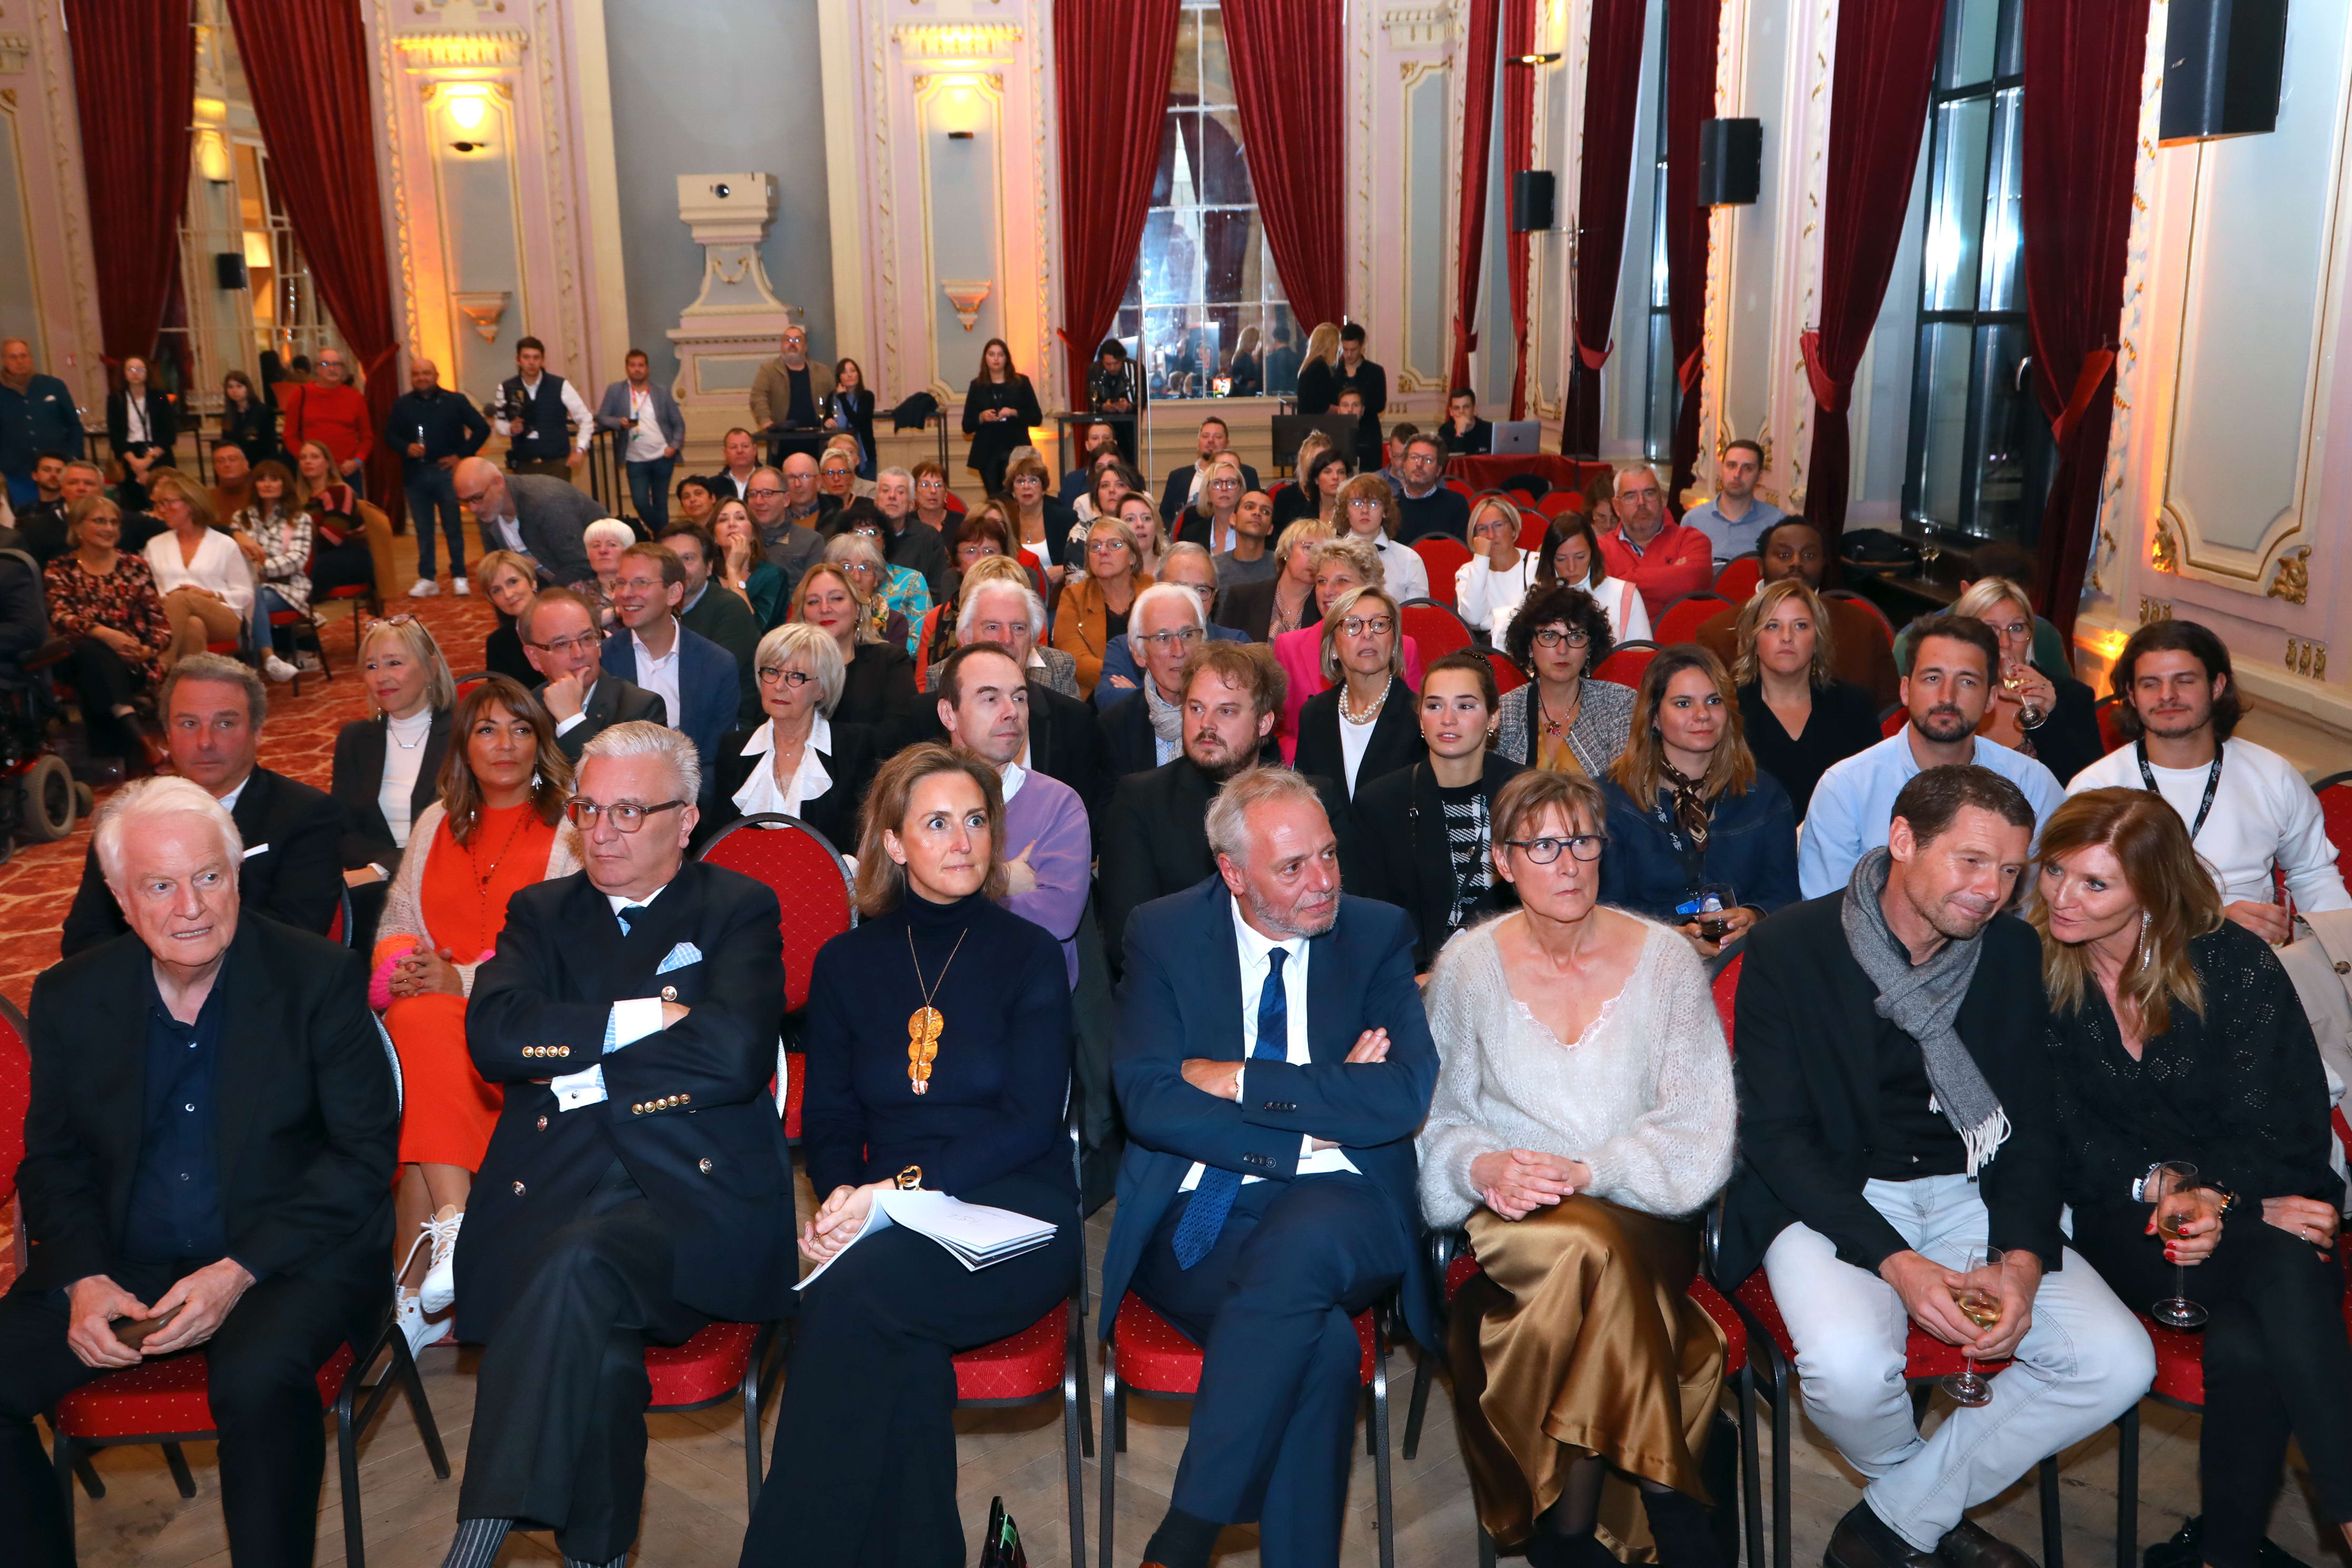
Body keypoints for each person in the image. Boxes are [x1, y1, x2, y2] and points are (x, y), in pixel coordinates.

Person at [1722, 765, 2155, 1568]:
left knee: (2117, 1361)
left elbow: (2030, 1128)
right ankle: (1924, 1509)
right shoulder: (1791, 946)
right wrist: (1900, 1265)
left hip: (1973, 1188)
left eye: (2011, 871)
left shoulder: (2013, 953)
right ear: (1902, 841)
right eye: (1971, 861)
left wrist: (2021, 1261)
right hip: (1836, 1195)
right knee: (1849, 1374)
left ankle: (1892, 1524)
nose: (1992, 891)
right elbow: (1777, 1138)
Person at [0, 776, 396, 1568]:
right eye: (159, 885)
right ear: (120, 898)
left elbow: (361, 1156)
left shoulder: (317, 976)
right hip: (121, 1256)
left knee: (257, 1379)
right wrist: (81, 1278)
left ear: (237, 877)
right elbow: (54, 1161)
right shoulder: (71, 995)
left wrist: (237, 1271)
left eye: (209, 877)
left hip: (283, 1253)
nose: (191, 907)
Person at [443, 722, 790, 1568]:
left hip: (690, 1204)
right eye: (588, 809)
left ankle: (476, 1542)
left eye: (629, 812)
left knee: (580, 1261)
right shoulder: (541, 912)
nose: (601, 831)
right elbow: (494, 1036)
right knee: (593, 1332)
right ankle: (595, 1559)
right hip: (551, 1189)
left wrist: (577, 1074)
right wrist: (647, 1021)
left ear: (687, 819)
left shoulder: (737, 908)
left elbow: (736, 1054)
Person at [740, 744, 1080, 1567]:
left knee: (847, 1305)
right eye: (936, 823)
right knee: (894, 1349)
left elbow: (1032, 1121)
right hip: (890, 1222)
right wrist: (841, 1199)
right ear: (892, 843)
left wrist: (893, 1192)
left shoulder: (1029, 955)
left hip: (1016, 1215)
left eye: (976, 821)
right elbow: (830, 1118)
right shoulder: (847, 963)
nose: (963, 840)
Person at [1101, 764, 1437, 1568]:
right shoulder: (1164, 932)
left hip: (1346, 1205)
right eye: (1293, 868)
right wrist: (1311, 1123)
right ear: (1233, 874)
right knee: (1320, 1349)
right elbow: (1148, 1099)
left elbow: (1401, 1096)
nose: (1323, 882)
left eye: (1328, 854)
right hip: (1198, 1216)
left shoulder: (1376, 934)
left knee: (1305, 1243)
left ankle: (1183, 1538)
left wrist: (1243, 1080)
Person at [1419, 768, 1736, 1565]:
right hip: (1518, 1217)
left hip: (1645, 1214)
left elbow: (1700, 1128)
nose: (1568, 864)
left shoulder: (1666, 962)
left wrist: (1591, 1172)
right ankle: (1671, 1499)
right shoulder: (1467, 967)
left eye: (1584, 842)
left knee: (1596, 1253)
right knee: (1590, 1255)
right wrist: (1483, 1165)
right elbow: (1438, 1120)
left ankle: (1565, 1532)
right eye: (1543, 847)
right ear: (1503, 862)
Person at [2033, 788, 2352, 1568]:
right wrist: (2171, 1189)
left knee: (2248, 1346)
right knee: (2285, 1264)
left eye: (2095, 883)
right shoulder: (2031, 971)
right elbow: (2056, 1138)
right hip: (2120, 1215)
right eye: (2055, 871)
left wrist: (2220, 1198)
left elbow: (2291, 1127)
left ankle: (2223, 1557)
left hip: (2263, 1194)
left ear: (2152, 890)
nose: (2063, 897)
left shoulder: (2230, 963)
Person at [372, 676, 579, 1354]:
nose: (505, 744)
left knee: (421, 1031)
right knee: (420, 1022)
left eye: (521, 729)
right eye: (487, 730)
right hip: (437, 1032)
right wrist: (406, 968)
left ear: (541, 743)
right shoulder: (436, 821)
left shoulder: (571, 826)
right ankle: (444, 1246)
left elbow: (565, 954)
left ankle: (418, 1283)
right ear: (464, 745)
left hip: (522, 1031)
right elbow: (397, 924)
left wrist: (459, 980)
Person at [2069, 619, 2349, 938]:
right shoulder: (2095, 788)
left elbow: (2313, 873)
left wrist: (2338, 954)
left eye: (2185, 681)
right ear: (2131, 695)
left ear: (2217, 686)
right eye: (2150, 684)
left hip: (2252, 956)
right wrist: (2210, 923)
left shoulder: (2273, 775)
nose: (2167, 696)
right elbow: (2078, 902)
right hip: (2136, 955)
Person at [60, 650, 342, 954]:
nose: (205, 742)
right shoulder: (127, 818)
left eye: (225, 724)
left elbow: (296, 934)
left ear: (257, 732)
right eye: (189, 724)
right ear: (167, 733)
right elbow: (85, 938)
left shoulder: (307, 814)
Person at [1097, 642, 1347, 958]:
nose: (1206, 724)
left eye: (1226, 711)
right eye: (1196, 708)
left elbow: (1344, 918)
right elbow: (1127, 938)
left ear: (1264, 723)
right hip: (1184, 978)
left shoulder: (1313, 799)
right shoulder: (1141, 800)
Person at [1800, 613, 2065, 897]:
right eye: (1932, 678)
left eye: (1967, 682)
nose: (1947, 697)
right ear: (1905, 690)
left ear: (1990, 699)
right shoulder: (1847, 788)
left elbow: (2044, 903)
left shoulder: (2033, 785)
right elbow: (1829, 910)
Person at [1598, 645, 1798, 950]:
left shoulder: (1765, 795)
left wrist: (1754, 917)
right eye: (1683, 704)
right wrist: (1672, 940)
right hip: (1644, 957)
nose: (1703, 715)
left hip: (1746, 957)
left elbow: (1784, 898)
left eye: (1714, 701)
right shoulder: (1611, 800)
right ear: (1654, 717)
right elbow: (1605, 912)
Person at [1348, 652, 1525, 972]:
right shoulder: (1379, 803)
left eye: (1465, 706)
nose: (1447, 719)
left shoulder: (1528, 796)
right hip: (1415, 977)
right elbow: (1369, 919)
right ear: (1420, 719)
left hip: (1516, 968)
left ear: (1493, 718)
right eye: (1434, 706)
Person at [935, 642, 1092, 982]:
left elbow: (1058, 918)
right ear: (949, 714)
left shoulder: (1059, 804)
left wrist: (950, 900)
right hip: (932, 991)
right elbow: (895, 904)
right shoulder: (915, 799)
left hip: (1030, 996)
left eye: (1019, 698)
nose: (1011, 712)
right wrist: (1000, 880)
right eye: (990, 698)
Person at [901, 572, 1102, 806]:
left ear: (1033, 641)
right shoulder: (922, 719)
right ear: (965, 638)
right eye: (993, 626)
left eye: (1018, 628)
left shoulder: (1073, 721)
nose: (1007, 639)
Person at [331, 616, 458, 946]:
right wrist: (379, 871)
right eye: (371, 666)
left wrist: (382, 869)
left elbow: (467, 827)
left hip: (452, 879)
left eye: (394, 663)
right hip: (375, 890)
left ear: (430, 668)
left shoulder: (464, 733)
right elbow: (342, 830)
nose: (381, 677)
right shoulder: (355, 739)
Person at [708, 621, 883, 851]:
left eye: (796, 676)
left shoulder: (856, 746)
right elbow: (719, 840)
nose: (779, 686)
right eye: (772, 672)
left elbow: (866, 838)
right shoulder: (733, 748)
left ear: (822, 689)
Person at [1694, 517, 1899, 708]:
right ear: (1761, 566)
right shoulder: (1718, 633)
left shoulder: (1864, 626)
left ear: (1824, 564)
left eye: (1809, 555)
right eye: (1784, 555)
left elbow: (1890, 714)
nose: (1796, 562)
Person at [1733, 578, 1882, 819]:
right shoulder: (1727, 711)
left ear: (1817, 639)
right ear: (1753, 639)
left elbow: (1874, 797)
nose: (1787, 637)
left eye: (1801, 626)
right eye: (1772, 626)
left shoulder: (1854, 706)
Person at [602, 542, 739, 801]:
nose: (626, 594)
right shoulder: (603, 660)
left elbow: (715, 760)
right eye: (620, 583)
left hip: (692, 803)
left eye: (641, 583)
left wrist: (676, 806)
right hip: (615, 797)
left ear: (674, 592)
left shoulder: (717, 665)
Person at [44, 493, 173, 766]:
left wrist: (146, 650)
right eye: (100, 521)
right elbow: (60, 616)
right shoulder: (60, 569)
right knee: (92, 650)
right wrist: (104, 634)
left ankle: (123, 745)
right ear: (78, 526)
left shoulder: (135, 566)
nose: (109, 528)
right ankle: (139, 738)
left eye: (115, 522)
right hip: (75, 658)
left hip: (131, 662)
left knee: (97, 670)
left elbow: (161, 626)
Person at [1272, 536, 1428, 757]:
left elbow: (1416, 723)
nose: (1328, 591)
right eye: (1321, 581)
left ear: (1367, 586)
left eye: (1342, 581)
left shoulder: (1403, 646)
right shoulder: (1289, 646)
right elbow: (1281, 730)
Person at [1945, 576, 2102, 784]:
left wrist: (2049, 717)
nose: (2005, 643)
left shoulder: (2071, 696)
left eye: (2017, 628)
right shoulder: (1947, 693)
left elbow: (2089, 790)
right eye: (1990, 629)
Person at [1295, 584, 1425, 798]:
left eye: (1379, 624)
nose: (1367, 634)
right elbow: (1305, 799)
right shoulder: (1313, 714)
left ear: (1394, 644)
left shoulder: (1419, 716)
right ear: (1333, 648)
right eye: (1353, 625)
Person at [1495, 582, 1636, 776]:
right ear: (1529, 647)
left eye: (1576, 637)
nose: (1563, 650)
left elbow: (1624, 782)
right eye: (1549, 636)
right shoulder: (1507, 711)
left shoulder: (1618, 702)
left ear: (1590, 648)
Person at [522, 588, 667, 764]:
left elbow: (617, 779)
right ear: (534, 658)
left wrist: (571, 719)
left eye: (587, 638)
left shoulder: (641, 709)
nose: (578, 653)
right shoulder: (528, 708)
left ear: (599, 646)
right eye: (561, 644)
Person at [1094, 541, 1243, 711]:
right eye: (1179, 588)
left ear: (1215, 595)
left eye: (1201, 590)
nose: (1190, 598)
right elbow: (1108, 700)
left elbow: (1247, 703)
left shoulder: (1235, 644)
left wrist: (1140, 694)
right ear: (1157, 587)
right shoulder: (1125, 647)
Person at [389, 356, 492, 597]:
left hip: (448, 474)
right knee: (423, 530)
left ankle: (459, 576)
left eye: (426, 373)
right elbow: (389, 435)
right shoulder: (402, 405)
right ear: (412, 378)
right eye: (416, 374)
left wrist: (461, 456)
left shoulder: (455, 401)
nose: (421, 378)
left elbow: (482, 428)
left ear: (436, 376)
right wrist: (406, 447)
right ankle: (427, 578)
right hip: (415, 475)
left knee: (453, 527)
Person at [1099, 580, 1221, 775]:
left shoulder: (1229, 717)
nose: (1178, 651)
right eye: (1163, 638)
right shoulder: (1116, 726)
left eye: (1188, 635)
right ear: (1139, 654)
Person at [660, 518, 762, 724]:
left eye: (688, 559)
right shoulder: (657, 610)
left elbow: (713, 684)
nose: (679, 569)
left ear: (709, 567)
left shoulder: (730, 609)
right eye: (670, 561)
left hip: (725, 725)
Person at [796, 559, 918, 734]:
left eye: (837, 598)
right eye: (813, 602)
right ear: (802, 614)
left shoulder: (891, 661)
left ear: (858, 608)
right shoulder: (788, 665)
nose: (825, 608)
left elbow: (900, 733)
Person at [453, 455, 598, 587]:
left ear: (498, 483)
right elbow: (498, 576)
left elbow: (582, 566)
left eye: (477, 498)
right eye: (464, 502)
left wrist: (539, 604)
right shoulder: (488, 511)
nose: (472, 508)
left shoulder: (545, 501)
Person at [1053, 514, 1152, 699]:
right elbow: (1074, 660)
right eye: (1095, 546)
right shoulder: (1073, 596)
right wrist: (1125, 678)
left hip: (1153, 693)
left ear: (1132, 556)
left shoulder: (1153, 592)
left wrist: (1140, 686)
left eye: (1114, 544)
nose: (1103, 552)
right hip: (1096, 697)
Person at [1596, 464, 1711, 623]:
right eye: (1630, 496)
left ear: (1662, 498)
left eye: (1649, 493)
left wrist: (1627, 578)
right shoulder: (1599, 549)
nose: (1641, 502)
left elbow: (1692, 583)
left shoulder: (1692, 540)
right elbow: (1605, 604)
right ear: (1616, 506)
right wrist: (1671, 576)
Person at [231, 459, 311, 680]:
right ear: (254, 485)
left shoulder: (300, 518)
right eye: (262, 480)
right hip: (249, 584)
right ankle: (265, 661)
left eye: (274, 480)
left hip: (288, 588)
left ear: (285, 484)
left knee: (251, 596)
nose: (267, 484)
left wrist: (261, 569)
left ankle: (260, 660)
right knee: (248, 595)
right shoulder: (241, 518)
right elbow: (234, 555)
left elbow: (297, 560)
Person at [293, 435, 397, 602]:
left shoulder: (339, 491)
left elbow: (332, 538)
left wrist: (297, 549)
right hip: (315, 553)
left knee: (300, 573)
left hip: (349, 556)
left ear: (328, 463)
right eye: (303, 458)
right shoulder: (299, 497)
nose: (308, 462)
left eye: (315, 457)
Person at [1528, 512, 1652, 646]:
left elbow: (1643, 653)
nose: (1571, 568)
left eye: (1580, 557)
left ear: (1593, 554)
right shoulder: (1534, 596)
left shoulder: (1624, 595)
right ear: (1549, 559)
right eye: (1561, 559)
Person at [595, 349, 685, 533]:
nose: (637, 369)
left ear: (647, 368)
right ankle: (664, 534)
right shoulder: (616, 390)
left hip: (662, 456)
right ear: (627, 368)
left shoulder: (661, 392)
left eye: (641, 365)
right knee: (640, 502)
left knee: (661, 503)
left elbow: (678, 424)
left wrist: (674, 446)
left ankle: (662, 540)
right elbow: (603, 417)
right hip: (634, 458)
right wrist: (619, 423)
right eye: (633, 365)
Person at [491, 335, 592, 478]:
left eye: (536, 358)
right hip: (523, 464)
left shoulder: (560, 385)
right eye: (526, 357)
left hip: (557, 464)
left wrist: (580, 448)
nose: (531, 362)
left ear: (543, 360)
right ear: (518, 360)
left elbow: (586, 418)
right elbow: (499, 422)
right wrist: (510, 429)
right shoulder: (506, 388)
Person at [1, 337, 84, 508]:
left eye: (24, 356)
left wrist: (73, 456)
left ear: (31, 358)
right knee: (28, 519)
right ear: (4, 360)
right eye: (13, 357)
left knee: (67, 515)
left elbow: (74, 425)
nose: (20, 361)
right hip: (18, 473)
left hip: (59, 470)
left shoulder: (54, 386)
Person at [279, 346, 374, 493]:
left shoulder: (355, 397)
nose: (332, 369)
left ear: (343, 369)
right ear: (317, 368)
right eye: (326, 364)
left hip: (347, 473)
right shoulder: (301, 395)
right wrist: (307, 460)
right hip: (313, 475)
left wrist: (357, 462)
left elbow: (367, 437)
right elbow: (290, 435)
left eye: (337, 364)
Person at [1220, 518, 1332, 642]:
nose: (1315, 558)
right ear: (1286, 551)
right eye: (1308, 548)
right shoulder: (1243, 597)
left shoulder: (1326, 604)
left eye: (1323, 552)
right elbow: (1222, 649)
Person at [826, 523, 929, 654]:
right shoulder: (820, 613)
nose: (856, 577)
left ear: (876, 579)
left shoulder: (893, 622)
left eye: (865, 568)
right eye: (846, 567)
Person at [1332, 471, 1429, 604]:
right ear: (1346, 511)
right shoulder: (1332, 558)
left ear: (1385, 511)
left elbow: (1418, 613)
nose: (1365, 511)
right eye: (1356, 503)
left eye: (1373, 504)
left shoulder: (1409, 559)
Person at [1680, 440, 1782, 564]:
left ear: (1759, 476)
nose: (1737, 475)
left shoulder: (1777, 522)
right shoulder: (1693, 520)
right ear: (1722, 470)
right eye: (1731, 466)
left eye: (1748, 468)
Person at [962, 336, 1041, 496]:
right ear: (985, 359)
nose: (996, 359)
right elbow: (967, 425)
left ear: (1007, 358)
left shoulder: (1021, 383)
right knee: (995, 498)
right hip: (987, 453)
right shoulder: (977, 386)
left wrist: (1014, 413)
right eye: (992, 354)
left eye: (1000, 355)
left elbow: (1036, 418)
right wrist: (981, 417)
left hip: (1016, 450)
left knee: (1014, 498)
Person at [1456, 495, 1542, 640]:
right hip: (1488, 649)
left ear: (1514, 529)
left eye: (1498, 526)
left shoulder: (1537, 564)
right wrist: (1481, 558)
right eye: (1482, 529)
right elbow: (1474, 619)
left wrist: (1489, 621)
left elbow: (1540, 616)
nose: (1490, 535)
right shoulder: (1467, 572)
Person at [748, 324, 836, 457]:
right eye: (788, 340)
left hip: (817, 443)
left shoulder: (823, 371)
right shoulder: (769, 370)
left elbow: (834, 399)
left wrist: (831, 419)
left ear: (806, 347)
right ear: (782, 346)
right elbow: (758, 397)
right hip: (781, 442)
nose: (792, 344)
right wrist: (766, 421)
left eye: (798, 340)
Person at [874, 465, 956, 602]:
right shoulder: (862, 534)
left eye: (900, 492)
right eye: (886, 490)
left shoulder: (929, 537)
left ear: (912, 504)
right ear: (876, 501)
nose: (892, 496)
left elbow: (937, 592)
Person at [748, 457, 828, 595]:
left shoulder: (811, 542)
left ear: (786, 499)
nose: (759, 501)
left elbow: (813, 595)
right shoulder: (739, 540)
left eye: (767, 494)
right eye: (753, 494)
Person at [1159, 416, 1262, 523]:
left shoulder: (1246, 473)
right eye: (1205, 436)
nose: (1211, 440)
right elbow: (1165, 517)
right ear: (1199, 442)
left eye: (1218, 437)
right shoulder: (1178, 476)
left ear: (1227, 443)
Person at [1002, 452, 1079, 588]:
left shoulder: (1066, 518)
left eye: (1033, 480)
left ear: (1043, 489)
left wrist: (1064, 570)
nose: (1026, 486)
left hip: (1059, 593)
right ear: (1013, 491)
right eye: (1020, 481)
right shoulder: (1005, 521)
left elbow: (1084, 559)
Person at [477, 548, 543, 687]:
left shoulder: (567, 621)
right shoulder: (498, 643)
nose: (508, 595)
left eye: (513, 582)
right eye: (497, 590)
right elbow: (502, 695)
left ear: (533, 582)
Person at [105, 357, 178, 483]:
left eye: (140, 370)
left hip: (157, 454)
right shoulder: (115, 400)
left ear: (148, 373)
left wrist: (148, 461)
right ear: (124, 373)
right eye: (131, 369)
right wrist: (134, 462)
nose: (135, 373)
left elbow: (169, 432)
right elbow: (115, 435)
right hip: (129, 456)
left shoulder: (160, 397)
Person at [1390, 432, 1472, 543]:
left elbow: (1461, 550)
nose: (1419, 464)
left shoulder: (1456, 504)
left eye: (1428, 460)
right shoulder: (1391, 507)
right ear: (1404, 465)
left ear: (1438, 470)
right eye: (1414, 458)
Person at [1335, 321, 1389, 473]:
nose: (1349, 355)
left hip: (1368, 435)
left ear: (1362, 346)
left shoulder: (1375, 372)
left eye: (1354, 350)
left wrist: (1357, 407)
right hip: (1341, 435)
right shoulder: (1334, 372)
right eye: (1345, 350)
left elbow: (1380, 404)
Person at [1173, 450, 1250, 554]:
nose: (1224, 488)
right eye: (1217, 483)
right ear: (1207, 491)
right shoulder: (1191, 535)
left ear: (1241, 491)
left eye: (1232, 483)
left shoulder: (1253, 531)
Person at [1213, 485, 1280, 592]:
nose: (1257, 513)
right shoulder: (1214, 568)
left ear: (1270, 529)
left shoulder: (1282, 568)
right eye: (1249, 507)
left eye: (1266, 512)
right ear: (1233, 519)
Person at [829, 355, 877, 476]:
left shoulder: (867, 396)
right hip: (838, 451)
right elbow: (826, 417)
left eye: (853, 371)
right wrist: (827, 421)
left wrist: (843, 398)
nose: (850, 375)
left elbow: (857, 421)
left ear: (858, 374)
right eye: (845, 372)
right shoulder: (832, 397)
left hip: (864, 451)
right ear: (839, 377)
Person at [219, 368, 277, 464]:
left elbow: (270, 444)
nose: (234, 391)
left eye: (239, 386)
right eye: (230, 387)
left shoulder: (263, 411)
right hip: (236, 463)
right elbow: (226, 441)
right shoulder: (228, 415)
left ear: (247, 388)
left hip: (260, 461)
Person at [1062, 419, 1124, 501]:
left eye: (1106, 438)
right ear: (1087, 446)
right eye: (1095, 438)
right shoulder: (1072, 480)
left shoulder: (1130, 478)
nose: (1101, 442)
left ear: (1115, 443)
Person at [1295, 321, 1342, 415]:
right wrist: (1343, 410)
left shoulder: (1310, 365)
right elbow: (1320, 405)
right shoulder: (1320, 367)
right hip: (1318, 422)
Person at [703, 427, 761, 502]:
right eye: (734, 447)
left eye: (745, 446)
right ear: (725, 453)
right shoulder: (713, 485)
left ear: (755, 450)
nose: (740, 451)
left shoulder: (770, 481)